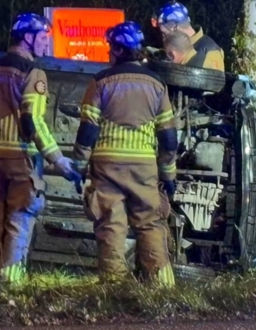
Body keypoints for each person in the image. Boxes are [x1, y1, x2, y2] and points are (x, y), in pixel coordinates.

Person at [73, 21, 178, 286]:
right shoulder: (157, 84)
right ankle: (162, 287)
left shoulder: (100, 82)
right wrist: (168, 174)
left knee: (110, 225)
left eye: (111, 47)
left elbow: (88, 130)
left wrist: (79, 166)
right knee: (151, 223)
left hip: (108, 166)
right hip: (144, 166)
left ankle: (114, 289)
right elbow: (168, 136)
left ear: (118, 50)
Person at [0, 13, 81, 285]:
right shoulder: (32, 72)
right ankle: (11, 286)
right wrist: (58, 161)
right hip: (21, 160)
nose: (46, 44)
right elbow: (32, 119)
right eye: (44, 37)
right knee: (18, 223)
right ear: (28, 37)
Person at [153, 1, 225, 71]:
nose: (163, 39)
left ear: (174, 27)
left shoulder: (209, 52)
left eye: (164, 34)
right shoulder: (191, 47)